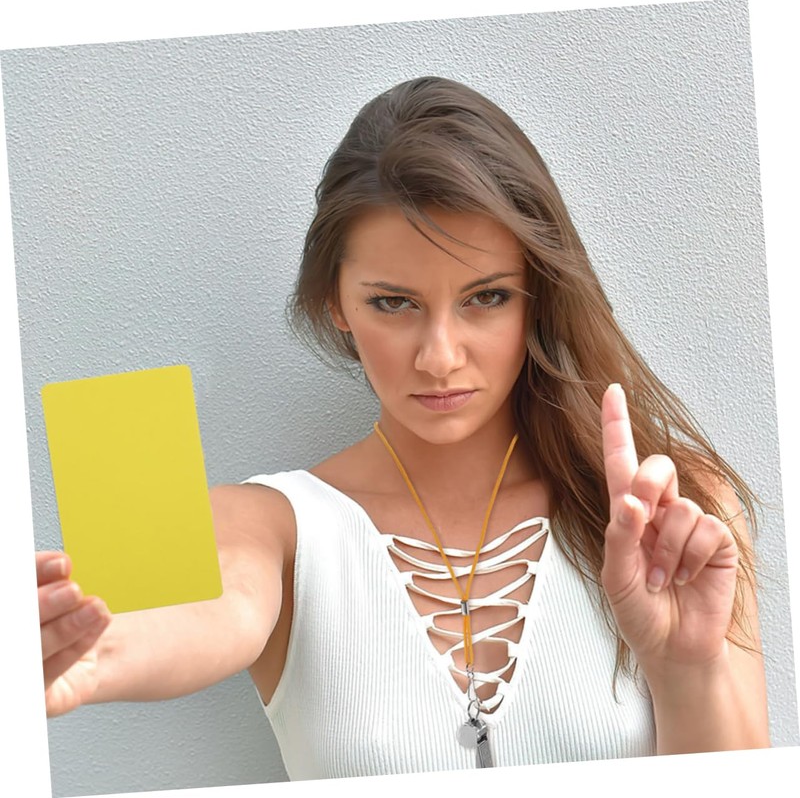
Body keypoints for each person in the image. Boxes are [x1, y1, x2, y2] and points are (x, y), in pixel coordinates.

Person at [35, 76, 770, 779]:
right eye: (394, 303)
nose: (440, 357)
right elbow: (206, 602)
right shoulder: (276, 526)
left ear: (538, 298)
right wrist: (98, 649)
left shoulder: (672, 515)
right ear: (335, 303)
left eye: (486, 297)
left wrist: (687, 667)